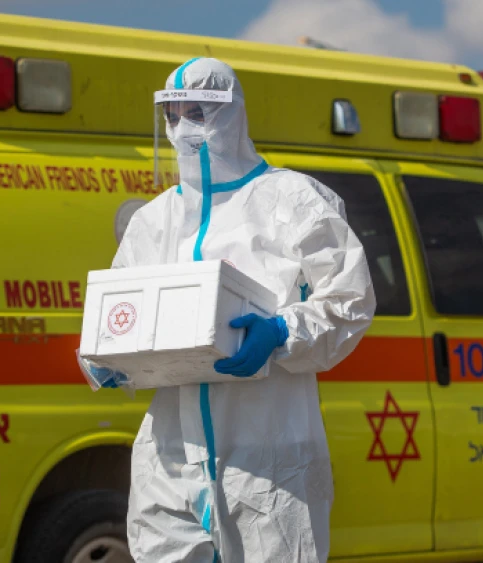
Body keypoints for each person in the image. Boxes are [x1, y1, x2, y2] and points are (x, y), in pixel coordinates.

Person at [110, 57, 375, 562]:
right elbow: (120, 313)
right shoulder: (154, 221)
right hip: (168, 461)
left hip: (270, 460)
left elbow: (350, 300)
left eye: (199, 113)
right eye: (174, 115)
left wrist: (281, 332)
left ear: (232, 114)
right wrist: (109, 361)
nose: (184, 129)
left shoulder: (294, 201)